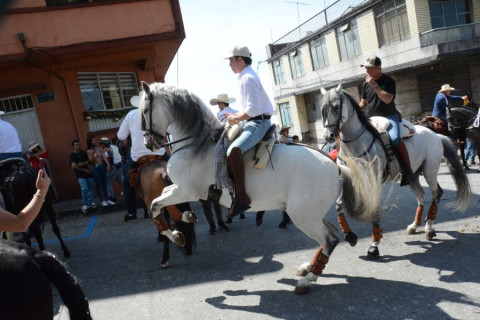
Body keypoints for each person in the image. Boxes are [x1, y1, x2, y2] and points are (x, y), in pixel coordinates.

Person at [224, 45, 275, 217]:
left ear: (240, 59)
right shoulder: (245, 77)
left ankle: (242, 198)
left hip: (257, 124)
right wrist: (236, 116)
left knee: (233, 151)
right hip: (253, 122)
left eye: (231, 60)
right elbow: (250, 109)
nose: (229, 64)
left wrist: (236, 118)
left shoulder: (247, 78)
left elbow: (253, 110)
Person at [359, 55, 413, 186]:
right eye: (366, 68)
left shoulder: (388, 81)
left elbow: (388, 99)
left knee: (394, 139)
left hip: (389, 116)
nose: (367, 71)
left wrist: (375, 86)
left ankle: (408, 171)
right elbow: (363, 103)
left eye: (370, 68)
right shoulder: (365, 84)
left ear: (379, 68)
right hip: (371, 118)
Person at [117, 94, 168, 221]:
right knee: (177, 171)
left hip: (138, 156)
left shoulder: (131, 114)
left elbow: (121, 136)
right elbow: (171, 130)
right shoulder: (159, 112)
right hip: (159, 153)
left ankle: (131, 212)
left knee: (127, 182)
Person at [209, 93, 245, 223]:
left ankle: (222, 177)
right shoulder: (237, 111)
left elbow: (216, 128)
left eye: (219, 103)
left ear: (222, 104)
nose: (218, 106)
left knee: (217, 154)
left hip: (227, 138)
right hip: (240, 136)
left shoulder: (221, 114)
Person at [70, 139, 96, 213]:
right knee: (84, 189)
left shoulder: (84, 153)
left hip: (89, 174)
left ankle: (91, 202)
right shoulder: (72, 155)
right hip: (80, 175)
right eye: (76, 145)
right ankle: (85, 204)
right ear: (73, 147)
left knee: (91, 188)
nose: (78, 146)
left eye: (79, 144)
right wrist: (84, 168)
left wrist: (81, 163)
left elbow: (90, 162)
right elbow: (74, 166)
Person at [87, 137, 114, 207]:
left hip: (102, 166)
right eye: (93, 140)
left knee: (104, 183)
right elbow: (91, 161)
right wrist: (93, 154)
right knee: (99, 184)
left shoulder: (99, 149)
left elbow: (104, 157)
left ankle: (107, 198)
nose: (95, 141)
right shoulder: (89, 151)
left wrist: (108, 165)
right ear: (90, 142)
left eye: (95, 140)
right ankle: (102, 200)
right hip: (96, 167)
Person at [107, 137, 124, 201]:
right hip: (120, 165)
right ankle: (130, 192)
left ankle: (112, 197)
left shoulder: (109, 149)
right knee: (121, 180)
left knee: (107, 182)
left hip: (115, 167)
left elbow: (111, 159)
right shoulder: (116, 147)